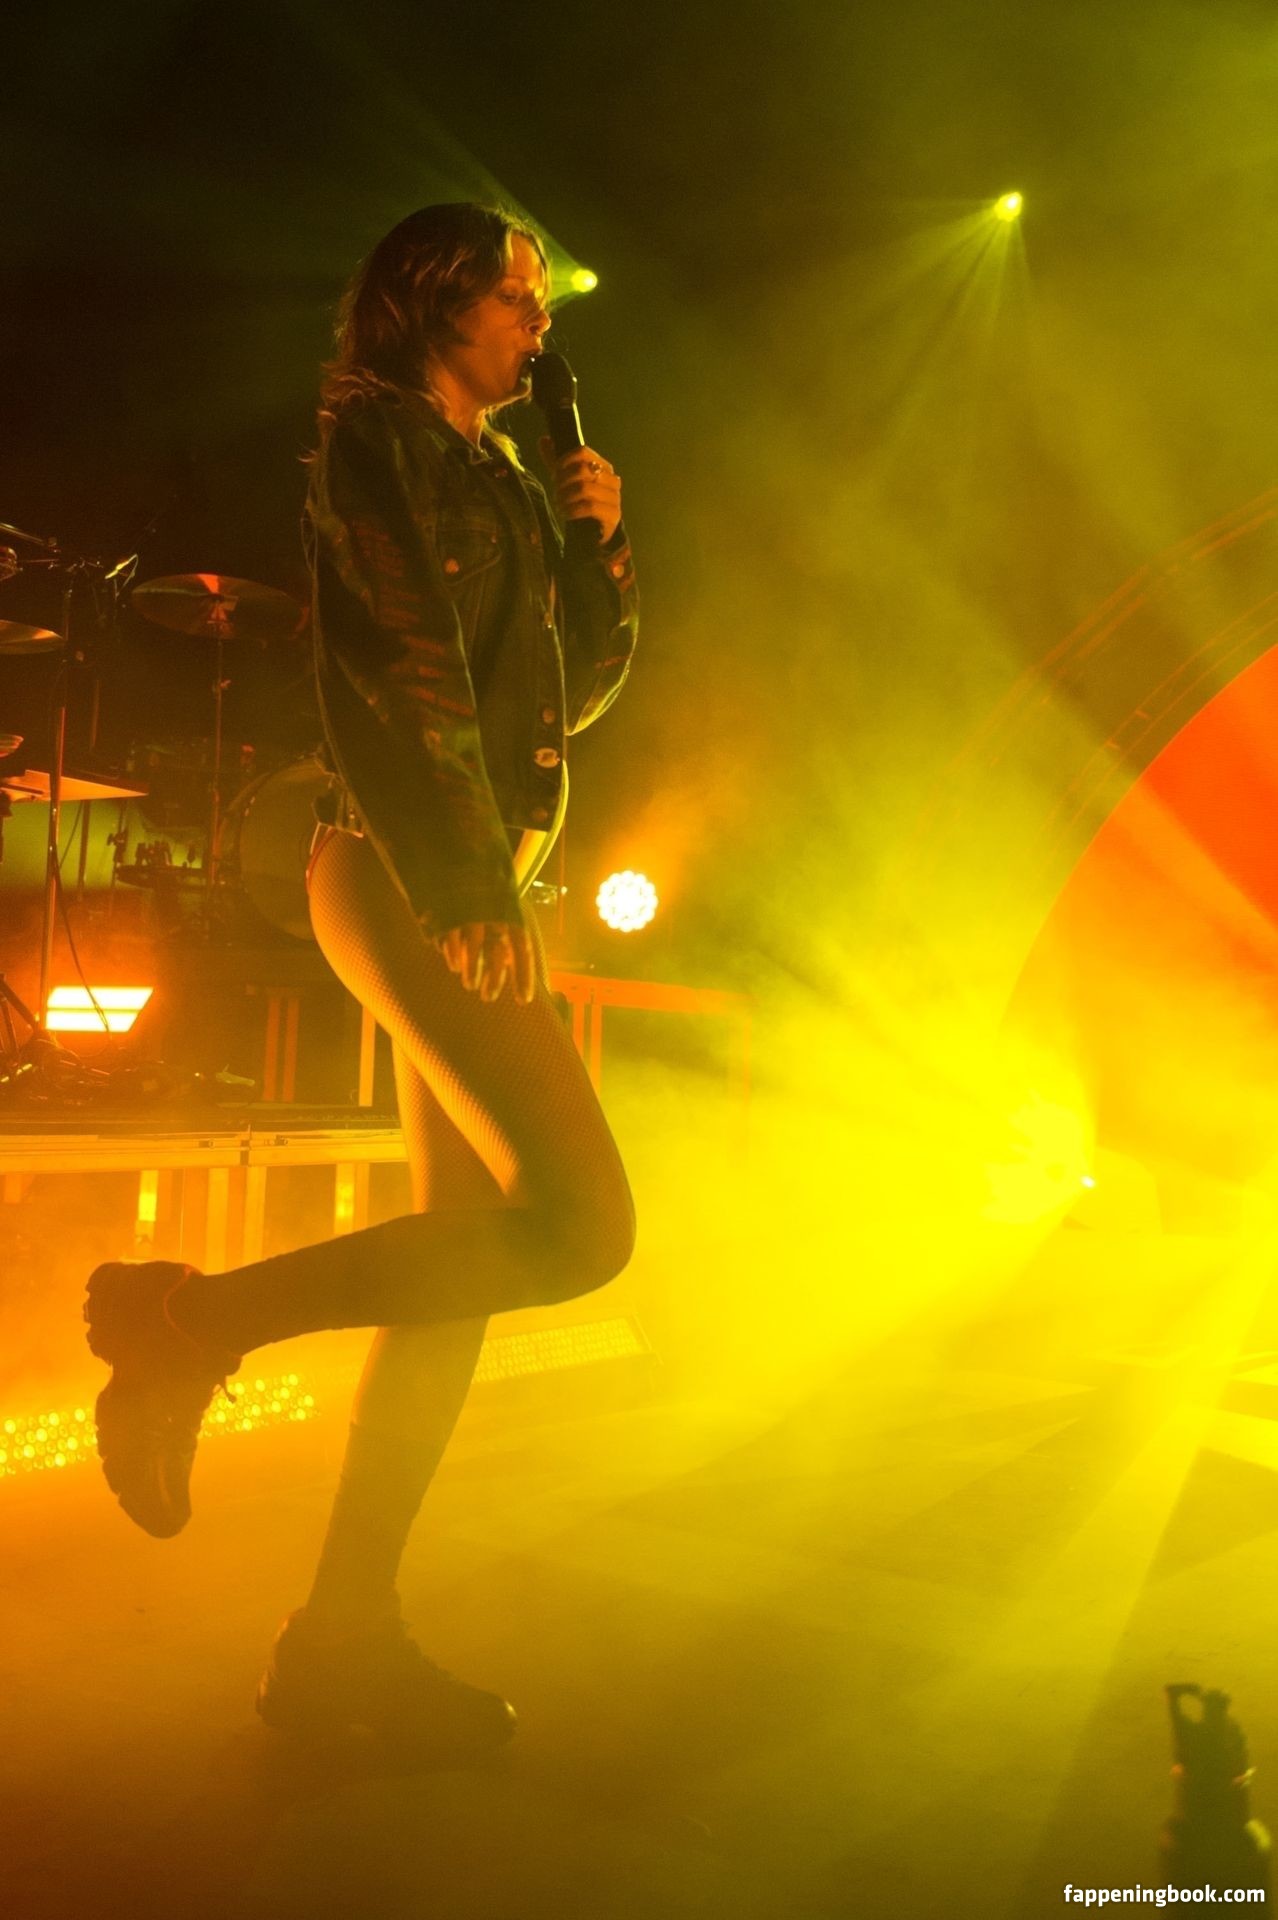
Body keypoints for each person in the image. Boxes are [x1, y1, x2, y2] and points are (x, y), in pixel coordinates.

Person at [83, 203, 639, 1755]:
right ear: (432, 302)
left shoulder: (504, 476)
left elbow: (570, 697)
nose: (538, 323)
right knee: (582, 1227)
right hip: (405, 864)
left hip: (463, 867)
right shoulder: (377, 442)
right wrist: (463, 882)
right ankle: (185, 1322)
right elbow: (397, 665)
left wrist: (598, 551)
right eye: (515, 296)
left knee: (464, 1269)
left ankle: (341, 1639)